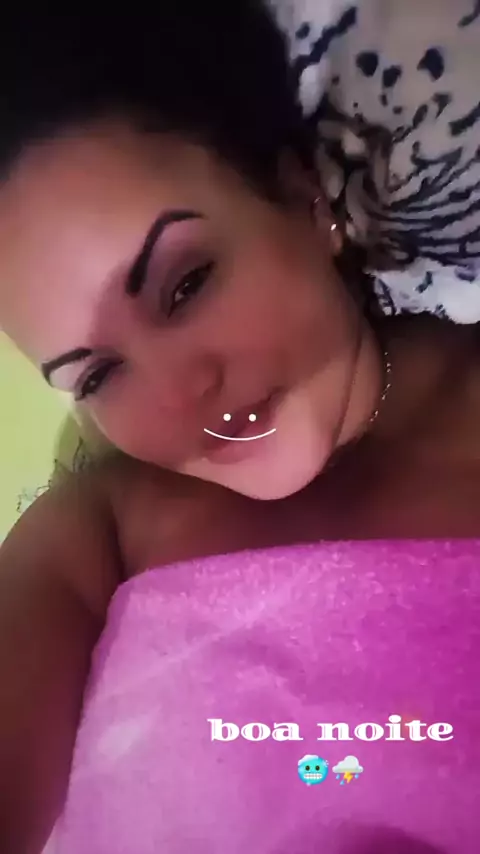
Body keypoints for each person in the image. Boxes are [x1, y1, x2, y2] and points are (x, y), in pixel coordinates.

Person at [0, 3, 479, 852]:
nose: (181, 395)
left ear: (302, 199)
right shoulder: (92, 536)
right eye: (98, 374)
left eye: (186, 285)